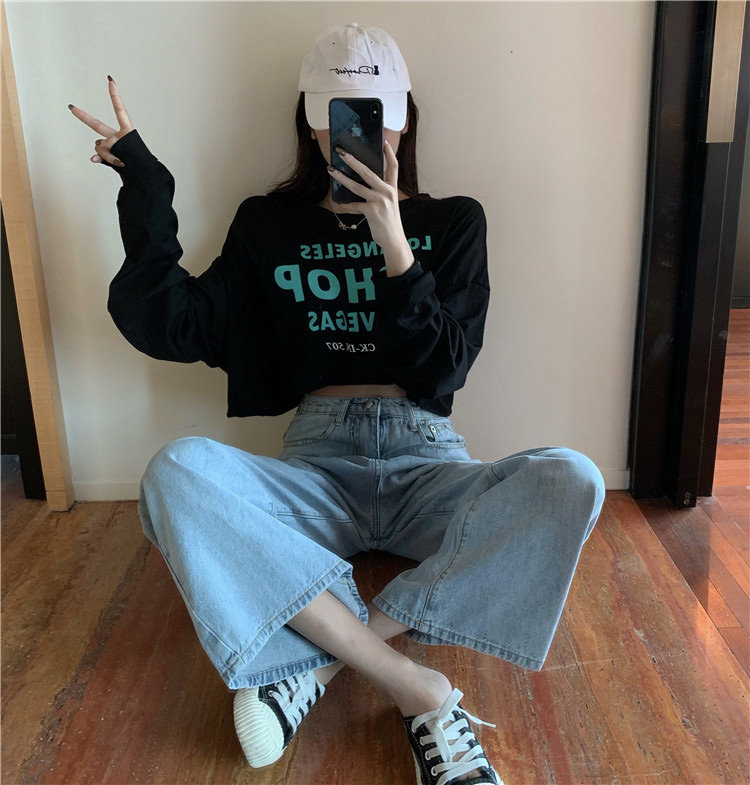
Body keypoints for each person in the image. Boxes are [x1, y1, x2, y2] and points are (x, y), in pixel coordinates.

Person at [70, 22, 606, 785]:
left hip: (428, 461)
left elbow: (449, 364)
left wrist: (396, 246)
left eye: (376, 113)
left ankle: (319, 665)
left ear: (404, 119)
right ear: (311, 120)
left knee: (573, 480)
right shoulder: (268, 224)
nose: (358, 133)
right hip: (316, 466)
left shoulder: (453, 221)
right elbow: (176, 322)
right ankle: (415, 686)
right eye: (339, 115)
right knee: (172, 473)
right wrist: (145, 188)